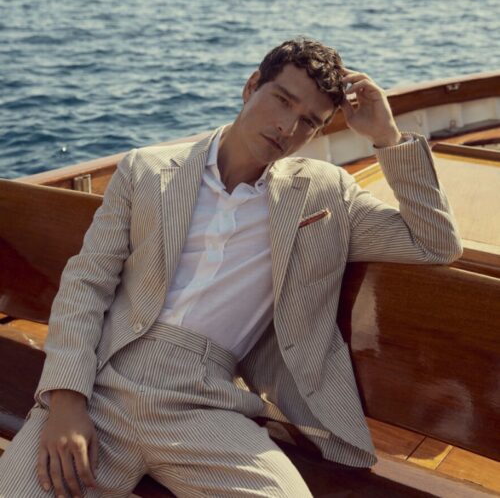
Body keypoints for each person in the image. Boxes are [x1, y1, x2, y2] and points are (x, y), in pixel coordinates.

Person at [0, 37, 462, 497]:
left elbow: (436, 242)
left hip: (208, 401)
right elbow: (86, 284)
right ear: (251, 86)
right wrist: (67, 400)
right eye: (282, 100)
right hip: (106, 380)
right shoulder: (146, 170)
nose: (287, 127)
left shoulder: (326, 194)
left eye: (308, 122)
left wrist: (386, 137)